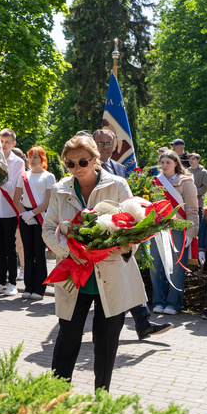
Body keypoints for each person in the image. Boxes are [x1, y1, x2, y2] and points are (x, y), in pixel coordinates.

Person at [42, 133, 147, 391]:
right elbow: (48, 229)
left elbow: (135, 226)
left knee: (107, 339)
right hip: (74, 275)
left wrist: (124, 246)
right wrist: (68, 250)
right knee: (67, 337)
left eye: (83, 162)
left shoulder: (118, 185)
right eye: (70, 164)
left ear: (95, 159)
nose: (77, 168)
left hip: (111, 273)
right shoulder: (59, 189)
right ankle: (57, 395)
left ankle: (102, 397)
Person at [95, 129, 173, 339]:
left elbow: (127, 199)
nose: (104, 148)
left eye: (108, 143)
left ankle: (143, 323)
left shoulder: (120, 168)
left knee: (129, 275)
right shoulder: (86, 167)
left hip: (120, 232)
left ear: (115, 145)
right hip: (97, 234)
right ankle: (119, 326)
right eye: (100, 144)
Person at [150, 150, 198, 315]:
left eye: (167, 162)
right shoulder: (154, 182)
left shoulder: (186, 181)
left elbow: (192, 209)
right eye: (161, 162)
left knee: (176, 268)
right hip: (157, 228)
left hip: (177, 229)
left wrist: (191, 232)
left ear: (176, 163)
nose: (164, 166)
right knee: (156, 266)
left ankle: (173, 303)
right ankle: (158, 301)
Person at [12, 146, 55, 300]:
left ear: (42, 159)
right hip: (26, 217)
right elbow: (16, 199)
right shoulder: (23, 176)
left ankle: (39, 288)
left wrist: (32, 214)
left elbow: (49, 201)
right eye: (30, 156)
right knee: (27, 252)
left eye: (36, 157)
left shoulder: (48, 176)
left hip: (40, 216)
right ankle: (28, 287)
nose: (32, 160)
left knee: (39, 252)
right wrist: (25, 214)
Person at [0, 128, 25, 296]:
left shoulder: (18, 162)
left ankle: (12, 282)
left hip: (10, 210)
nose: (3, 145)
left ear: (13, 144)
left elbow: (13, 187)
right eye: (1, 142)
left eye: (7, 142)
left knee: (10, 247)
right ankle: (1, 280)